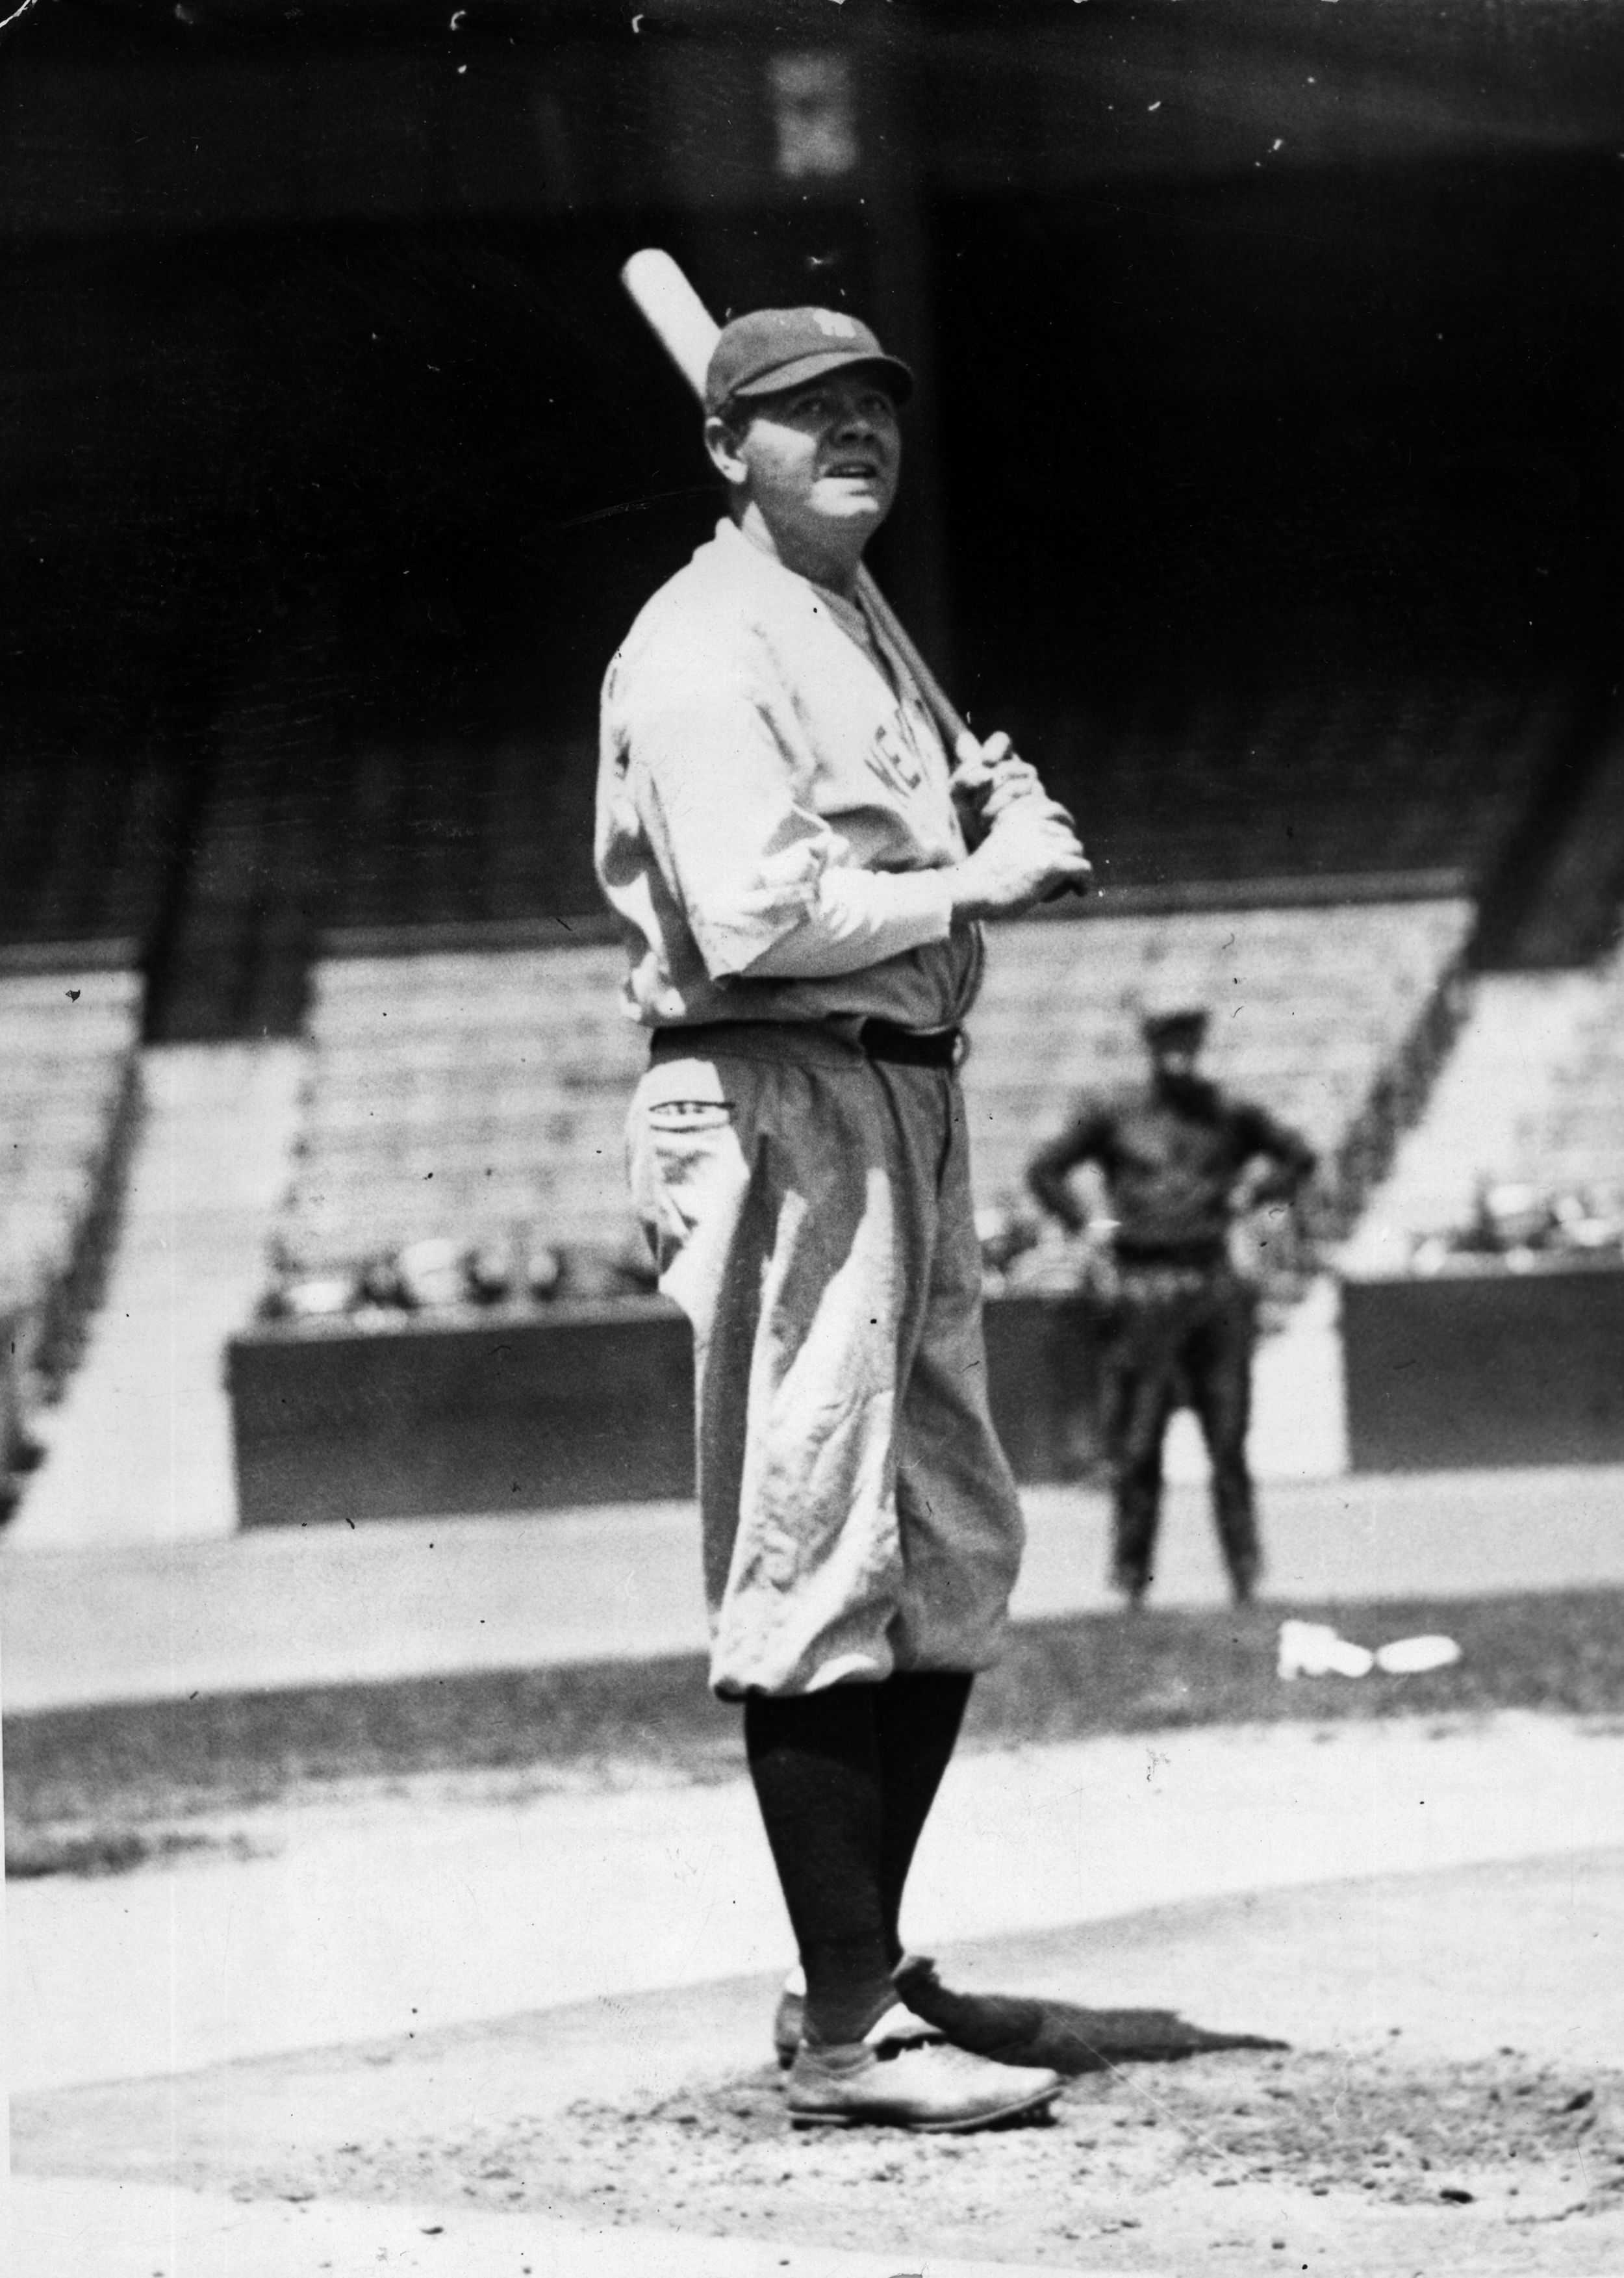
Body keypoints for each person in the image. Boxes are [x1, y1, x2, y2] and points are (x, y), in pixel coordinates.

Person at [596, 304, 1091, 2131]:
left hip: (900, 1085)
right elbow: (748, 916)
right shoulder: (701, 648)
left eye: (875, 403)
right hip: (772, 1089)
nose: (853, 432)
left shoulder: (834, 631)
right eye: (805, 415)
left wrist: (963, 820)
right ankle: (836, 2025)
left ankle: (867, 1956)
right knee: (814, 1532)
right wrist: (983, 877)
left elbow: (872, 869)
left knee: (946, 1535)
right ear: (728, 449)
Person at [1026, 1006, 1316, 1607]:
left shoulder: (1227, 1114)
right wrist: (1088, 1221)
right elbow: (1046, 1171)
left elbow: (1298, 1157)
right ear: (1153, 1048)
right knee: (1138, 1446)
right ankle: (1132, 1579)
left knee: (1228, 1440)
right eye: (1169, 1044)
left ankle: (1246, 1574)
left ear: (1201, 1046)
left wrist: (1253, 1192)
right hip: (1142, 1288)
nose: (1180, 1055)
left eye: (1189, 1044)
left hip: (1213, 1283)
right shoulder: (1117, 1113)